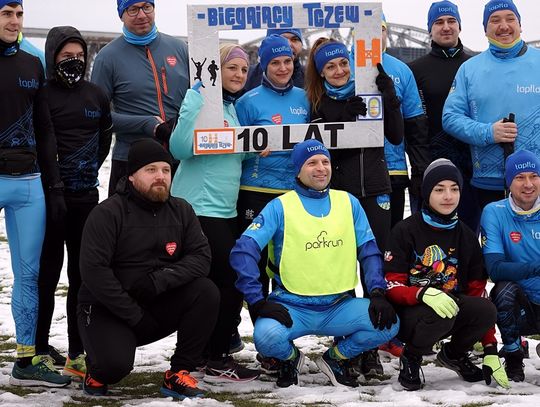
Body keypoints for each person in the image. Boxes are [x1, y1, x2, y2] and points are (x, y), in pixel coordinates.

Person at [231, 139, 399, 388]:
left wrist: (376, 291)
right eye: (311, 163)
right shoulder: (280, 206)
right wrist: (256, 301)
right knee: (266, 337)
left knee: (389, 325)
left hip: (338, 306)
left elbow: (369, 251)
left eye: (325, 161)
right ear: (297, 170)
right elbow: (243, 251)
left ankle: (335, 359)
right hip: (291, 307)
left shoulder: (349, 203)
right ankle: (290, 359)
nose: (320, 168)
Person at [77, 139, 219, 399]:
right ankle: (96, 369)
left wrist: (159, 281)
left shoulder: (181, 210)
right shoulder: (108, 213)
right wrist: (133, 315)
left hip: (155, 303)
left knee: (205, 291)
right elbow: (94, 272)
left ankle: (179, 373)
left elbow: (201, 257)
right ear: (131, 176)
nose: (160, 177)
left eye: (165, 170)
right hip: (108, 309)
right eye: (151, 170)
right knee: (112, 368)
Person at [304, 37, 404, 378]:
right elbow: (316, 151)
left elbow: (395, 136)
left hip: (376, 189)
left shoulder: (370, 90)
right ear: (321, 73)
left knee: (375, 267)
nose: (338, 71)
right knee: (345, 270)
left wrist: (390, 101)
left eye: (343, 63)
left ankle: (371, 348)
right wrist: (343, 123)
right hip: (341, 194)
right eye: (330, 67)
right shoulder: (317, 104)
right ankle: (347, 348)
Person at [169, 43, 259, 383]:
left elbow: (226, 153)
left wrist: (254, 148)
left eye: (242, 70)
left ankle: (204, 353)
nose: (237, 75)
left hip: (224, 210)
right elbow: (179, 148)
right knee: (230, 278)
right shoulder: (201, 101)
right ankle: (214, 353)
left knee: (215, 284)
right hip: (199, 208)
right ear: (216, 71)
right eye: (231, 68)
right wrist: (193, 102)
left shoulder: (230, 108)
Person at [384, 158, 508, 391]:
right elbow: (392, 286)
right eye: (439, 190)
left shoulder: (467, 235)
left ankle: (453, 355)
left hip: (451, 306)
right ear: (427, 193)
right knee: (441, 313)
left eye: (454, 189)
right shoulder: (405, 230)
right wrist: (421, 294)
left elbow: (477, 290)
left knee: (485, 310)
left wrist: (490, 347)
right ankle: (411, 356)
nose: (448, 196)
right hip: (412, 314)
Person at [34, 25, 113, 380]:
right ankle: (36, 347)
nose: (74, 62)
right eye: (67, 57)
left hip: (86, 198)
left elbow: (104, 140)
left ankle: (78, 350)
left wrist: (86, 172)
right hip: (49, 199)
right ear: (53, 57)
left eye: (79, 57)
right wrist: (55, 185)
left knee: (81, 277)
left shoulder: (96, 95)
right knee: (47, 276)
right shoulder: (42, 94)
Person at [1, 0, 71, 387]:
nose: (14, 21)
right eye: (6, 13)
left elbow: (45, 130)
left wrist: (55, 184)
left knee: (29, 275)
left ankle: (26, 360)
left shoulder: (31, 63)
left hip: (28, 183)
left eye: (18, 14)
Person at [442, 0, 540, 210]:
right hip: (489, 180)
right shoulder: (469, 69)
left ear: (520, 25)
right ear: (485, 29)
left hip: (535, 180)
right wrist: (488, 132)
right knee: (493, 242)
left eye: (510, 19)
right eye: (495, 20)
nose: (503, 26)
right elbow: (450, 117)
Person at [236, 34, 310, 296]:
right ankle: (253, 321)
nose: (283, 68)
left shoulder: (306, 98)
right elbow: (234, 149)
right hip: (255, 191)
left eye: (287, 61)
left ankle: (282, 329)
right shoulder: (247, 101)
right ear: (264, 66)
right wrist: (250, 148)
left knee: (287, 263)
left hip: (292, 193)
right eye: (275, 62)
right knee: (253, 264)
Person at [91, 0, 189, 196]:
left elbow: (200, 98)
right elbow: (95, 115)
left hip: (180, 160)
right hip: (131, 162)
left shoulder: (180, 48)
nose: (142, 15)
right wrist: (147, 124)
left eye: (147, 7)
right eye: (133, 9)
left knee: (179, 225)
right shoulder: (107, 57)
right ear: (121, 14)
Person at [409, 1, 478, 233]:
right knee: (428, 237)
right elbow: (410, 123)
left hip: (472, 165)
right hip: (429, 164)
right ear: (430, 29)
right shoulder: (415, 70)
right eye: (438, 22)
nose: (446, 27)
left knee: (468, 235)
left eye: (451, 21)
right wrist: (419, 166)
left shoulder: (474, 65)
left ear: (460, 26)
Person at [481, 150, 540, 382]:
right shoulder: (494, 212)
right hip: (521, 302)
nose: (528, 184)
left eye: (534, 176)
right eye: (519, 177)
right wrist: (536, 266)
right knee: (502, 290)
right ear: (508, 181)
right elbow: (495, 269)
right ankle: (514, 356)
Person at [379, 14, 430, 226]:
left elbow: (415, 127)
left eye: (380, 29)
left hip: (394, 171)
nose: (373, 35)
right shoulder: (342, 67)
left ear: (386, 33)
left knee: (392, 241)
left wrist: (419, 170)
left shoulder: (401, 70)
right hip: (352, 174)